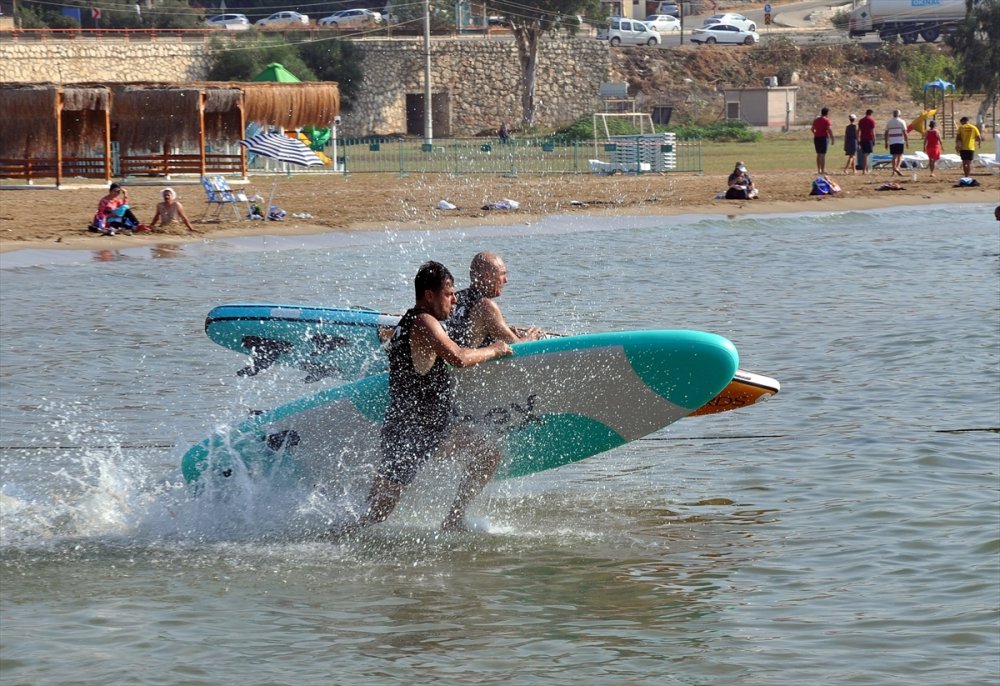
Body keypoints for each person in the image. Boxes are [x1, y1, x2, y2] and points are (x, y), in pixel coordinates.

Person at [354, 261, 513, 532]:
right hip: (414, 431)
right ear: (430, 296)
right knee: (376, 514)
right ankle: (329, 539)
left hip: (422, 428)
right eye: (448, 294)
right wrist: (496, 349)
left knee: (487, 454)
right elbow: (459, 357)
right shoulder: (425, 322)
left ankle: (453, 520)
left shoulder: (408, 321)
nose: (455, 299)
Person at [448, 251, 545, 348]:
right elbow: (518, 347)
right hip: (468, 357)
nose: (506, 280)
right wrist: (530, 338)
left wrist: (505, 329)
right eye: (502, 274)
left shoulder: (455, 298)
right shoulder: (486, 306)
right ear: (487, 277)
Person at [884, 109, 909, 177]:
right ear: (899, 114)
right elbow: (905, 132)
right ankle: (897, 168)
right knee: (900, 155)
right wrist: (907, 142)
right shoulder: (902, 121)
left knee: (894, 156)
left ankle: (894, 170)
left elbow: (886, 133)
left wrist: (886, 142)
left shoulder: (889, 122)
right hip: (900, 141)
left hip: (892, 141)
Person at [811, 107, 834, 175]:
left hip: (817, 138)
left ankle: (819, 169)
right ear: (827, 113)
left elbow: (812, 129)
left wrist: (815, 133)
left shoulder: (816, 120)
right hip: (823, 138)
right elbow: (829, 130)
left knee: (818, 154)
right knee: (822, 154)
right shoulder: (826, 120)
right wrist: (832, 138)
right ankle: (823, 170)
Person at [858, 109, 877, 175]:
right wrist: (874, 139)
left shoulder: (861, 120)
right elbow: (873, 131)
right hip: (868, 139)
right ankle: (865, 170)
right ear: (871, 114)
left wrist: (858, 139)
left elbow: (858, 130)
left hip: (862, 138)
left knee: (865, 154)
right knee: (866, 155)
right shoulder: (871, 120)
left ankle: (866, 169)